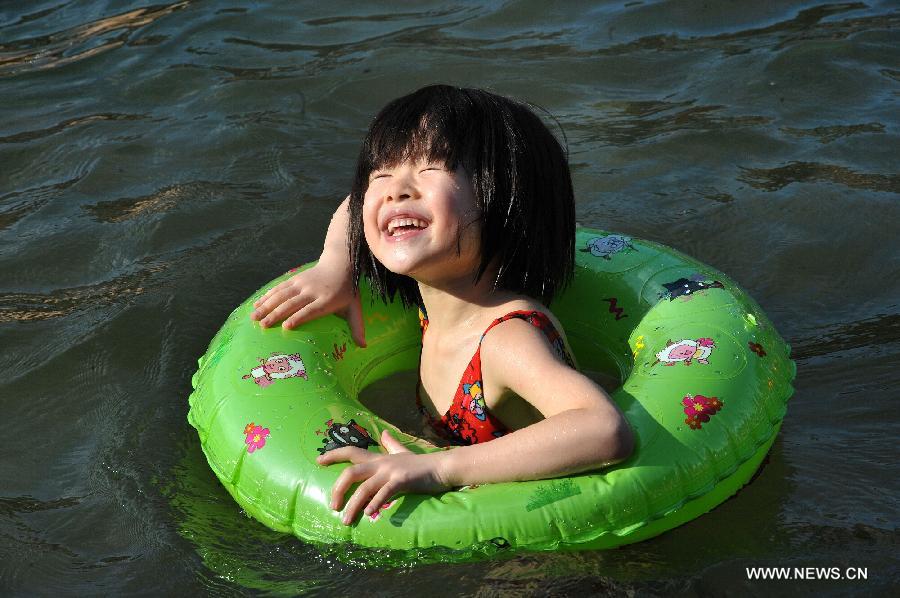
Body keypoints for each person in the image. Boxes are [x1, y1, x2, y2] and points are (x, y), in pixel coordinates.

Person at [250, 85, 633, 525]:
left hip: (552, 540)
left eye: (433, 167)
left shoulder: (506, 339)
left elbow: (603, 429)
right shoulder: (445, 301)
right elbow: (357, 204)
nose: (395, 192)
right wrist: (335, 265)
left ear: (507, 202)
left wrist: (437, 467)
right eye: (382, 173)